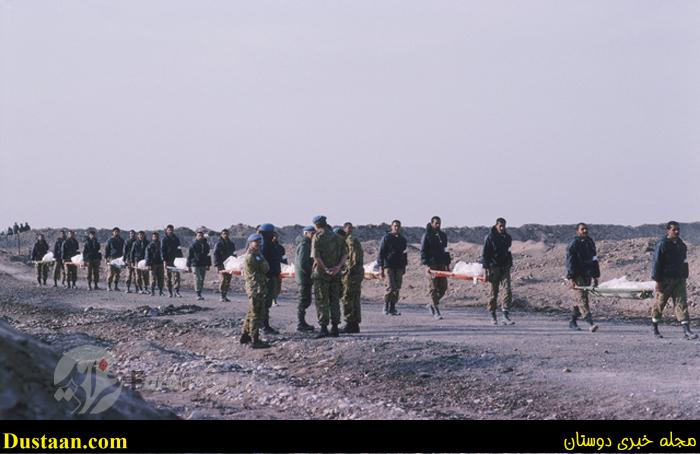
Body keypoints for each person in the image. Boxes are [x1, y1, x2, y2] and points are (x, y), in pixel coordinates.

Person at [651, 221, 697, 339]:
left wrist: (685, 275)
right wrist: (658, 281)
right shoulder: (662, 244)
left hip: (679, 279)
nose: (677, 232)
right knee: (660, 303)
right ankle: (655, 328)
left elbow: (684, 261)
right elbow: (657, 263)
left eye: (678, 229)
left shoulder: (681, 245)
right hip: (665, 280)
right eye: (674, 230)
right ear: (668, 230)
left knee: (682, 303)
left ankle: (687, 331)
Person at [311, 216, 347, 338]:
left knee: (322, 300)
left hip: (322, 274)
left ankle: (323, 328)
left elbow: (316, 256)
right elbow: (345, 254)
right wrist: (338, 267)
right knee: (334, 300)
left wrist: (325, 268)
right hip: (336, 273)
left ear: (316, 225)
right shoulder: (337, 236)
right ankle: (335, 327)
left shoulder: (317, 236)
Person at [566, 223, 600, 332]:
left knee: (581, 297)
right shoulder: (574, 244)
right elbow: (569, 262)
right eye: (582, 229)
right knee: (582, 298)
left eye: (586, 229)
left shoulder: (590, 242)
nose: (585, 231)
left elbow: (594, 259)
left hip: (587, 274)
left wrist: (595, 276)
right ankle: (590, 323)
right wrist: (571, 278)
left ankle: (572, 321)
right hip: (577, 275)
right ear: (577, 231)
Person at [481, 218, 515, 325]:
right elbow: (485, 254)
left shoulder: (507, 237)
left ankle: (505, 314)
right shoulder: (490, 237)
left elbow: (507, 250)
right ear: (496, 225)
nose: (502, 228)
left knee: (507, 290)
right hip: (493, 267)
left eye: (503, 226)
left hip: (504, 267)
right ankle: (493, 314)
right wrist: (486, 270)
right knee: (493, 293)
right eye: (500, 226)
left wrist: (509, 264)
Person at [239, 233, 271, 349]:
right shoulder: (252, 256)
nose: (258, 244)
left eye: (259, 242)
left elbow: (266, 268)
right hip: (255, 287)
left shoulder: (256, 254)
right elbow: (265, 268)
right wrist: (263, 261)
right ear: (250, 243)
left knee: (252, 312)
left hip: (257, 286)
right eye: (256, 242)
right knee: (256, 313)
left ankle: (245, 335)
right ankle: (254, 339)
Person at [421, 216, 451, 320]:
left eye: (439, 223)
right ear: (432, 223)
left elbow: (446, 250)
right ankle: (436, 309)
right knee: (433, 287)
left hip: (441, 263)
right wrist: (427, 264)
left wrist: (447, 264)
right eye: (436, 223)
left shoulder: (443, 235)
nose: (438, 225)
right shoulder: (427, 235)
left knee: (443, 287)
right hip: (432, 264)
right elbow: (423, 251)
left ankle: (432, 303)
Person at [378, 220, 408, 316]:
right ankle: (386, 306)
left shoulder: (402, 239)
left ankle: (393, 307)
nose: (396, 228)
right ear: (391, 227)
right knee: (390, 287)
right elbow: (381, 253)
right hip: (388, 265)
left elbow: (404, 254)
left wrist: (404, 266)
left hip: (399, 266)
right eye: (395, 226)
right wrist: (381, 267)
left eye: (398, 226)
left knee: (397, 287)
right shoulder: (386, 238)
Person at [339, 222, 364, 333]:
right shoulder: (352, 240)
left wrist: (345, 270)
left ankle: (350, 322)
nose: (349, 229)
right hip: (356, 273)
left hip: (351, 274)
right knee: (354, 298)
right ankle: (354, 323)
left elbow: (353, 259)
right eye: (347, 228)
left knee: (348, 298)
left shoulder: (350, 241)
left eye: (350, 228)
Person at [259, 223, 283, 333]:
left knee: (267, 302)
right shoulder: (264, 245)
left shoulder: (270, 243)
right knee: (265, 302)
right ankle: (264, 325)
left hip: (271, 275)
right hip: (267, 277)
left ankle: (264, 324)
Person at [294, 226, 316, 332]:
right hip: (304, 277)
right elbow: (303, 263)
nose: (313, 235)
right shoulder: (304, 245)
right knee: (303, 300)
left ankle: (302, 322)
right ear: (306, 233)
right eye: (312, 233)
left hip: (305, 277)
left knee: (306, 300)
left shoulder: (307, 244)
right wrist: (311, 272)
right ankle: (300, 323)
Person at [213, 229, 237, 302]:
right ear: (221, 235)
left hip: (229, 265)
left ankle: (225, 295)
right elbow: (215, 255)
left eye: (226, 233)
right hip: (221, 264)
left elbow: (234, 253)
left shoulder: (231, 244)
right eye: (224, 234)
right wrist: (216, 265)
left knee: (228, 280)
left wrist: (235, 262)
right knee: (223, 279)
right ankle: (221, 295)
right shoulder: (218, 244)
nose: (225, 235)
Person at [187, 230, 211, 301]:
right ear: (196, 236)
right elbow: (190, 256)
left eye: (201, 235)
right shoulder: (193, 245)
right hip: (195, 264)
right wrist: (188, 265)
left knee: (202, 279)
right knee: (197, 278)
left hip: (203, 264)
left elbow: (208, 255)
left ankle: (200, 292)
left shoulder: (206, 245)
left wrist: (208, 264)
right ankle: (198, 294)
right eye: (199, 236)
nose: (200, 237)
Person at [161, 225, 183, 298]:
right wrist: (164, 261)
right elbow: (162, 251)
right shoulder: (164, 239)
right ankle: (169, 291)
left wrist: (180, 259)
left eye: (171, 230)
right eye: (169, 230)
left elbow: (179, 249)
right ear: (166, 230)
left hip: (176, 260)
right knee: (167, 276)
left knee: (176, 276)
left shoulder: (176, 239)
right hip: (167, 260)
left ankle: (176, 291)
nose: (170, 231)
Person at [104, 227, 125, 292]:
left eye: (117, 231)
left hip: (119, 259)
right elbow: (107, 249)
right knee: (110, 273)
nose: (116, 233)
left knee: (117, 274)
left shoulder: (121, 240)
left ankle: (116, 286)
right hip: (111, 258)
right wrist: (106, 258)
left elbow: (124, 249)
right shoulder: (110, 240)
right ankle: (108, 286)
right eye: (115, 231)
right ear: (113, 232)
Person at [145, 232, 165, 296]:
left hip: (160, 263)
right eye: (154, 236)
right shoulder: (149, 245)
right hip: (152, 264)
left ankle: (161, 291)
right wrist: (148, 264)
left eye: (156, 236)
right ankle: (152, 291)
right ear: (152, 237)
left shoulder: (161, 244)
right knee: (153, 279)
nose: (155, 237)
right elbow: (147, 255)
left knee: (161, 278)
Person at [271, 232, 287, 306]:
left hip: (279, 268)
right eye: (273, 236)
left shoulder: (280, 247)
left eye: (276, 236)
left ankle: (274, 298)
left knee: (278, 285)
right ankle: (273, 300)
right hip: (271, 269)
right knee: (273, 285)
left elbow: (284, 257)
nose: (275, 238)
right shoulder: (268, 246)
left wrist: (286, 266)